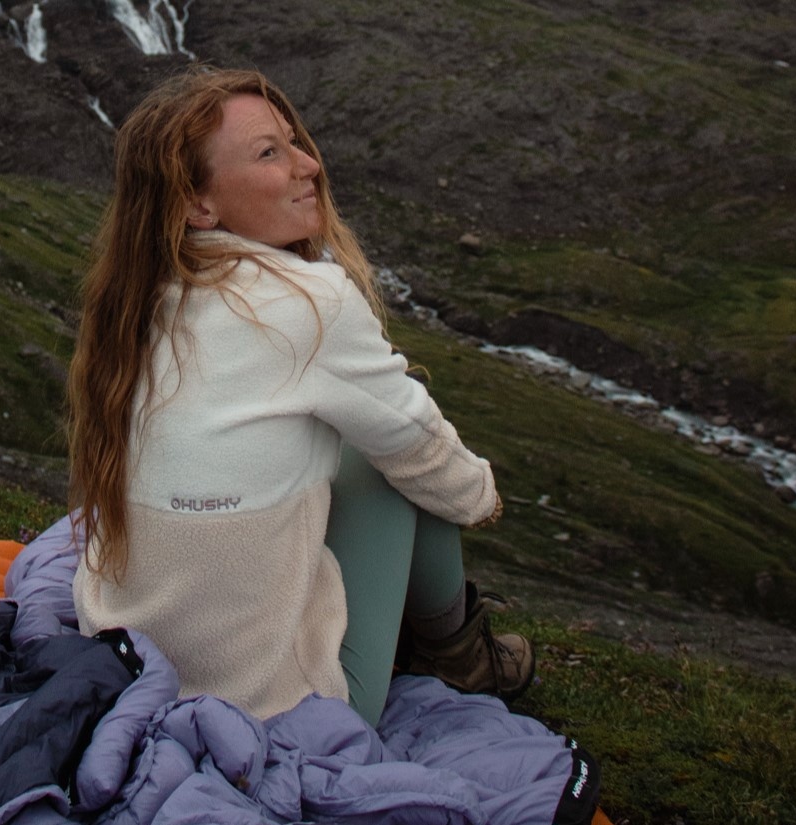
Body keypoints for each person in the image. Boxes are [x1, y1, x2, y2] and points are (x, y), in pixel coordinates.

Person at [67, 67, 533, 725]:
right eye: (269, 153)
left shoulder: (139, 297)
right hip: (268, 706)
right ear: (198, 206)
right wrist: (482, 500)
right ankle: (462, 656)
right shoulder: (309, 303)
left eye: (293, 142)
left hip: (129, 657)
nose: (308, 164)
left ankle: (444, 645)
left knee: (353, 443)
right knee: (394, 457)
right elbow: (421, 448)